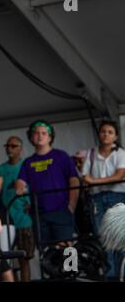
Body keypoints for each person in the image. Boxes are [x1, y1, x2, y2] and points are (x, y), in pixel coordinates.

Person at [15, 120, 79, 247]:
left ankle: (71, 268)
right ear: (31, 137)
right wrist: (20, 188)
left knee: (67, 251)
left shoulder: (61, 156)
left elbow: (74, 180)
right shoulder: (28, 162)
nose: (40, 136)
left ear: (50, 137)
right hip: (39, 215)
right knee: (45, 255)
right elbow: (20, 182)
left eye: (44, 133)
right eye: (36, 133)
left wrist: (72, 205)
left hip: (61, 211)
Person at [82, 120, 125, 280]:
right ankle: (110, 275)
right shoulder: (91, 153)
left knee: (121, 236)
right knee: (103, 237)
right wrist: (92, 181)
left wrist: (94, 181)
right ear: (99, 134)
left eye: (110, 132)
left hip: (118, 196)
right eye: (103, 131)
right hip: (97, 198)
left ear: (115, 136)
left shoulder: (121, 153)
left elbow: (119, 176)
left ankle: (122, 273)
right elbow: (85, 176)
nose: (106, 134)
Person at [0, 136, 34, 282]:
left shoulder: (27, 166)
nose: (9, 148)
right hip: (5, 221)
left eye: (13, 146)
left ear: (20, 148)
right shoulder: (0, 169)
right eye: (7, 146)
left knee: (24, 258)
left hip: (24, 220)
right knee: (6, 260)